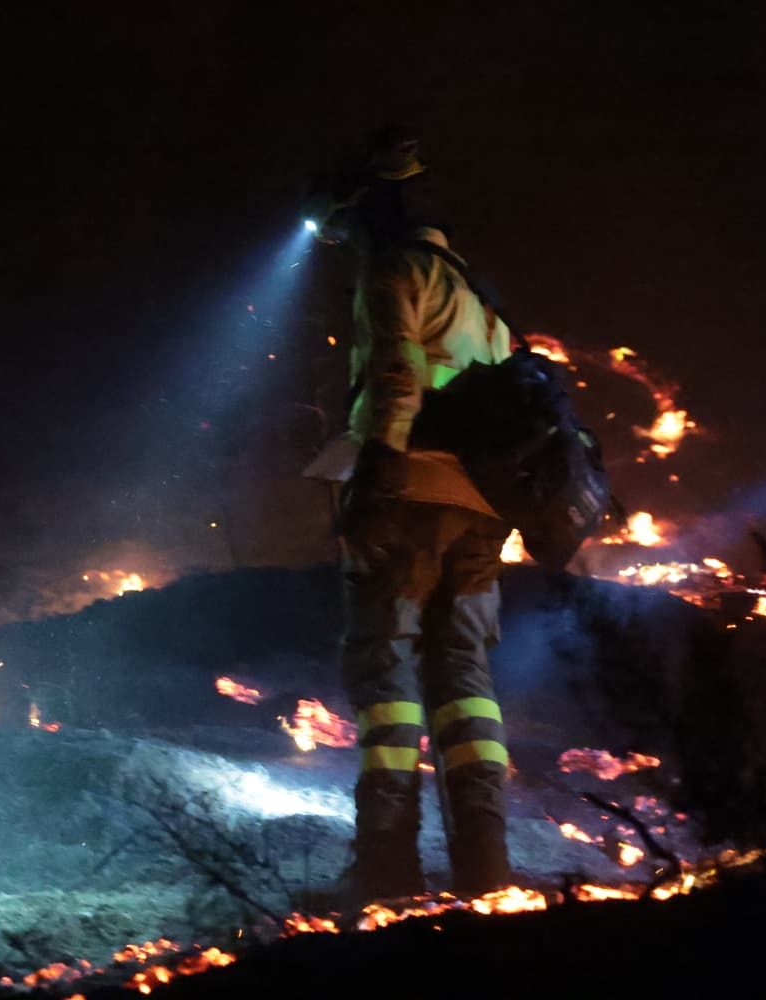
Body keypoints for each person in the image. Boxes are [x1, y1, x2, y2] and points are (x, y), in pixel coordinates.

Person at [304, 127, 515, 898]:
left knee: (384, 664)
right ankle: (486, 866)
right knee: (464, 675)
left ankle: (387, 868)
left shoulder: (395, 269)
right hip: (479, 515)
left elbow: (397, 371)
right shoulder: (483, 302)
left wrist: (381, 472)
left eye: (350, 225)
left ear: (376, 211)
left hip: (412, 499)